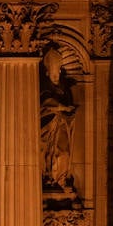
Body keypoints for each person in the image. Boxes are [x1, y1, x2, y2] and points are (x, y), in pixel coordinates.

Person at [39, 47, 77, 193]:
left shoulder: (62, 89)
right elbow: (47, 103)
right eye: (55, 71)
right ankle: (49, 178)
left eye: (59, 70)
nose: (58, 74)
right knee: (50, 154)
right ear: (48, 71)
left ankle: (60, 180)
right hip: (48, 128)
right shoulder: (45, 88)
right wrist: (63, 108)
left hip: (61, 128)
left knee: (64, 154)